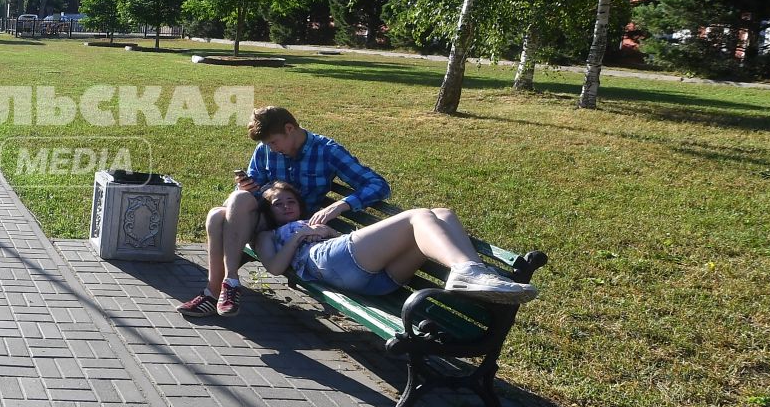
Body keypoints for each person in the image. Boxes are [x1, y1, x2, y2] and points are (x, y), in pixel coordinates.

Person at [179, 104, 390, 318]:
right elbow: (251, 187)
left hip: (293, 227)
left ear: (290, 128)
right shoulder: (265, 150)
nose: (271, 149)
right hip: (265, 220)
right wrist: (246, 187)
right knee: (222, 210)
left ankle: (214, 292)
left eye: (273, 142)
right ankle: (229, 282)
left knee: (220, 217)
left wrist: (341, 204)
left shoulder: (326, 150)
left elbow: (378, 184)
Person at [249, 181, 539, 303]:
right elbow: (274, 268)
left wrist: (330, 232)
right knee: (417, 217)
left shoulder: (311, 220)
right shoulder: (268, 234)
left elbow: (351, 251)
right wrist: (300, 235)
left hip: (379, 282)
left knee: (442, 213)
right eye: (277, 204)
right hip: (326, 260)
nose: (286, 206)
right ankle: (468, 271)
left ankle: (472, 273)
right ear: (268, 212)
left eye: (290, 201)